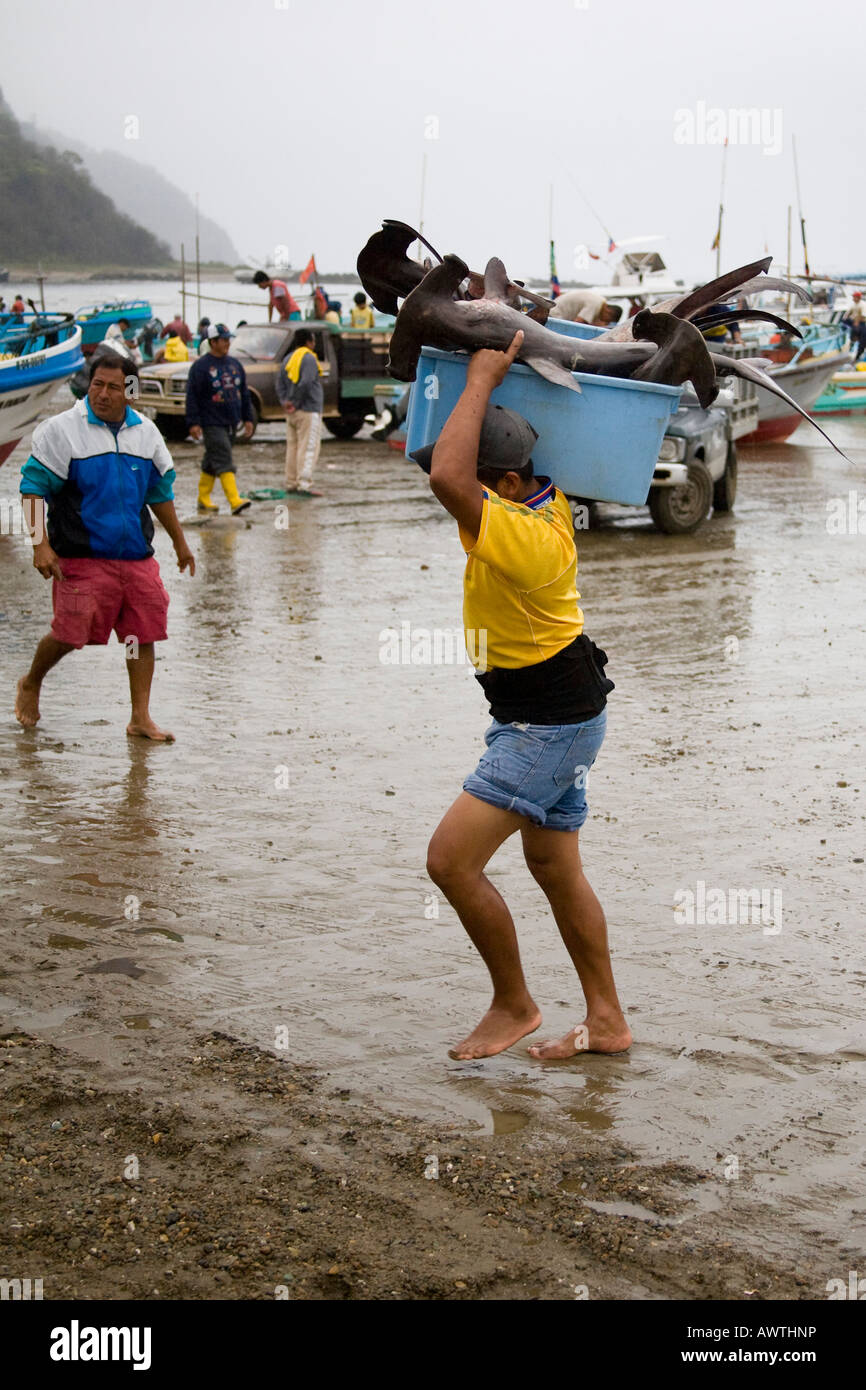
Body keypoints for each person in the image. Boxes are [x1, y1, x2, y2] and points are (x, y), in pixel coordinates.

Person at [415, 329, 630, 1063]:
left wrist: (479, 379)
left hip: (550, 724)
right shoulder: (529, 497)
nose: (459, 502)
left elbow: (448, 478)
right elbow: (449, 467)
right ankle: (607, 1022)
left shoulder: (529, 534)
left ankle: (515, 1004)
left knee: (450, 861)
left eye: (480, 486)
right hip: (550, 711)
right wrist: (487, 378)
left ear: (504, 485)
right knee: (556, 868)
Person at [15, 350, 195, 741]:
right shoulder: (62, 431)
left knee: (139, 635)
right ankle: (31, 681)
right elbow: (32, 489)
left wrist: (181, 544)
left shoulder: (146, 433)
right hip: (81, 556)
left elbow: (159, 494)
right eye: (98, 384)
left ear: (130, 390)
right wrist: (38, 546)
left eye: (115, 387)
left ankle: (140, 717)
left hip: (135, 557)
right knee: (69, 634)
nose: (104, 394)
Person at [185, 322, 254, 514]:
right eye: (223, 340)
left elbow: (245, 394)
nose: (227, 343)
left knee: (212, 459)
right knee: (224, 457)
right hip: (210, 422)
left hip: (231, 421)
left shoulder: (235, 364)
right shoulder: (200, 367)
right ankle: (234, 500)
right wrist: (193, 422)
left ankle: (203, 498)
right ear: (212, 342)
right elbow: (192, 396)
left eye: (228, 339)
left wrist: (248, 419)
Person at [276, 328, 323, 498]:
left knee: (293, 447)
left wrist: (286, 402)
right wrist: (295, 402)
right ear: (309, 341)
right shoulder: (309, 358)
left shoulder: (288, 359)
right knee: (309, 448)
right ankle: (304, 484)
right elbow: (306, 383)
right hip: (308, 410)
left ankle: (291, 482)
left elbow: (279, 383)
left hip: (291, 412)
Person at [550, 289, 620, 326]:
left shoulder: (600, 301)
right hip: (555, 315)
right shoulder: (595, 305)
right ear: (608, 312)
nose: (605, 323)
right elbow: (577, 324)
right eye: (607, 321)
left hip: (554, 312)